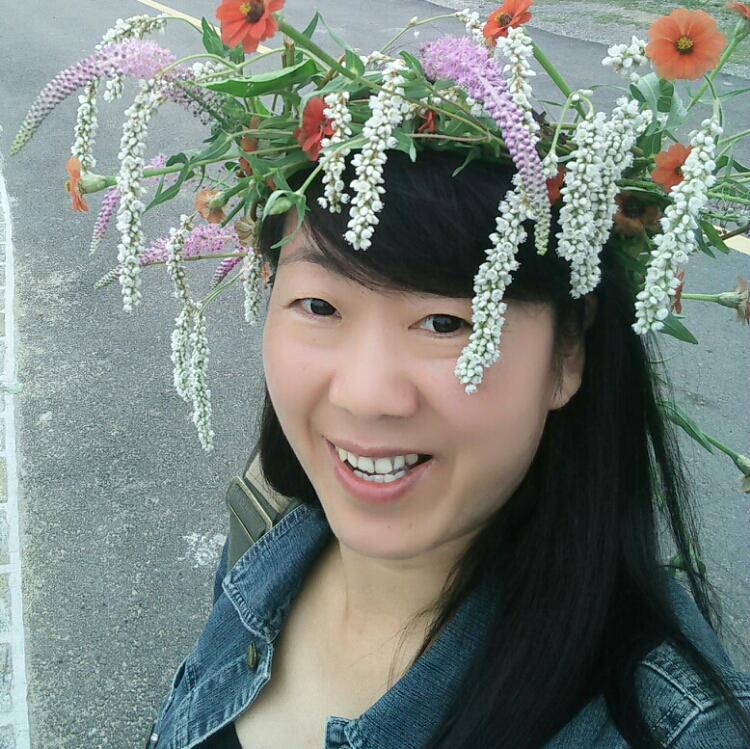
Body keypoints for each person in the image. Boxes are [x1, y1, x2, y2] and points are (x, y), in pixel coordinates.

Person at [145, 148, 750, 748]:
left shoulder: (671, 728)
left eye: (445, 323)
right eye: (320, 306)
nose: (366, 397)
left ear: (567, 352)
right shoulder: (267, 528)